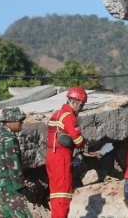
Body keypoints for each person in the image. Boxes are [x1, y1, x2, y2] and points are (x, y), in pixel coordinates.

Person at [46, 86, 98, 218]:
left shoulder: (56, 114)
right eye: (82, 105)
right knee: (63, 196)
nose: (82, 108)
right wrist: (84, 143)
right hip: (61, 159)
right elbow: (78, 140)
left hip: (51, 157)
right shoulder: (69, 117)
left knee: (55, 195)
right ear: (74, 102)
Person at [0, 107, 34, 218]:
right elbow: (13, 165)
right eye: (19, 121)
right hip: (10, 186)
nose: (21, 123)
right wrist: (21, 187)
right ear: (10, 122)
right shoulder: (9, 138)